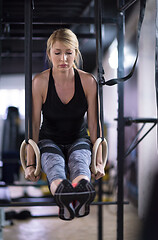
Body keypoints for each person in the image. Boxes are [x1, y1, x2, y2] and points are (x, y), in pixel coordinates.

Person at [25, 28, 105, 220]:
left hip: (78, 138)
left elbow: (94, 124)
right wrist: (30, 164)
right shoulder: (40, 82)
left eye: (69, 53)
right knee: (55, 164)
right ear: (49, 53)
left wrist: (99, 162)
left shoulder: (88, 81)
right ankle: (64, 196)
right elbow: (34, 124)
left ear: (76, 54)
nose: (63, 59)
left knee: (79, 160)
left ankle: (82, 193)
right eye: (58, 53)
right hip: (49, 140)